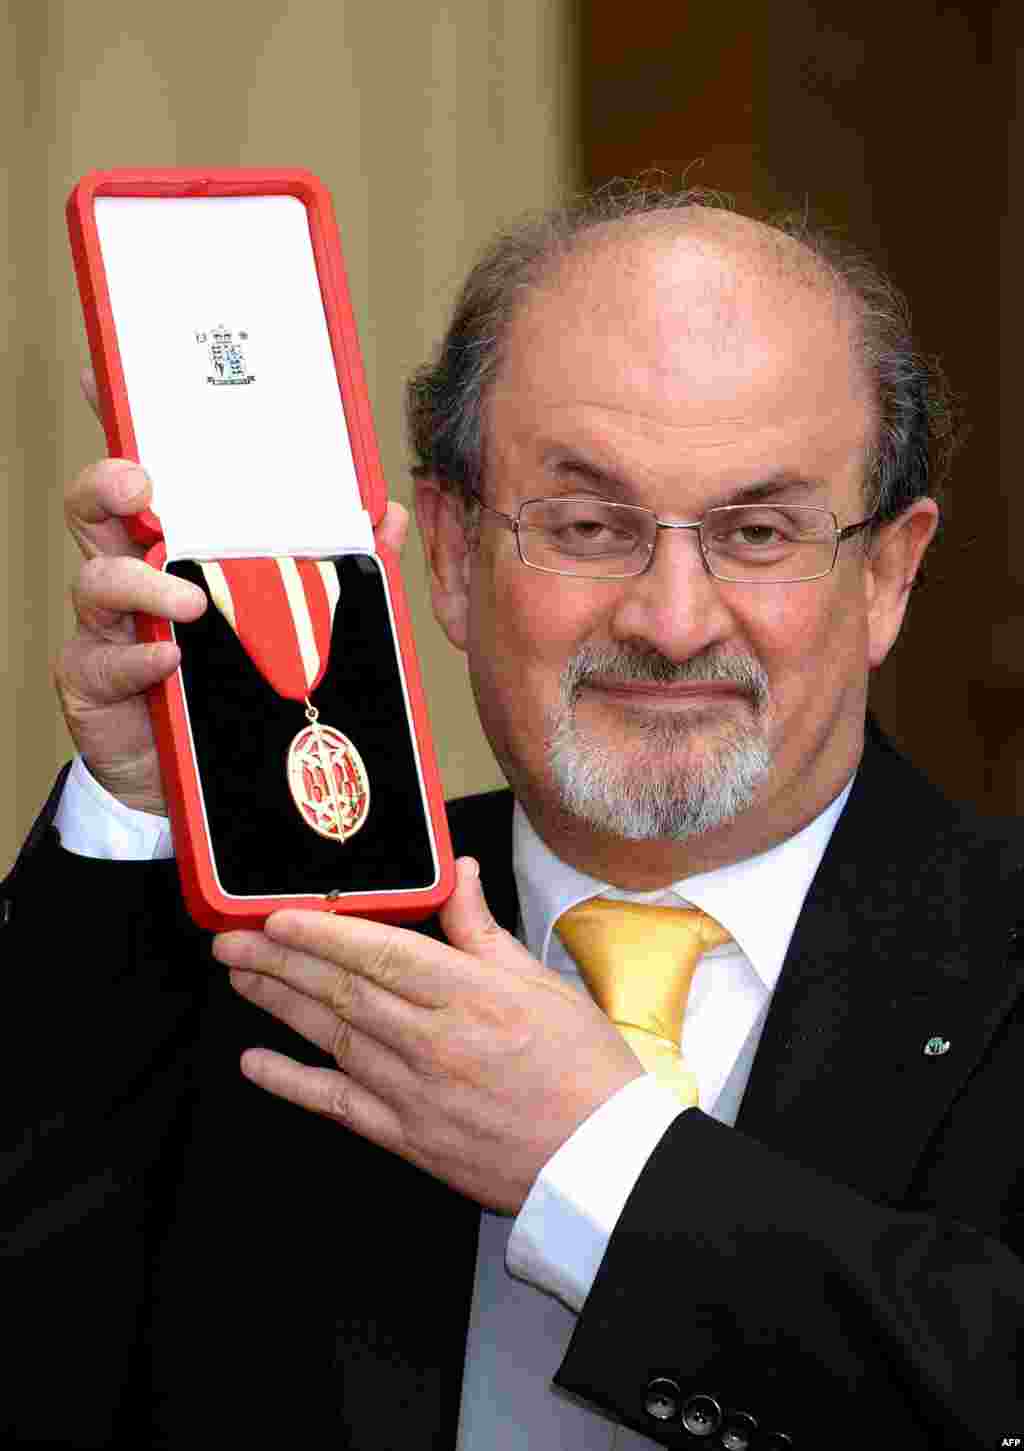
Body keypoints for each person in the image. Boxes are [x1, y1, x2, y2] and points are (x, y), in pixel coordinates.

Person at [4, 187, 1022, 1450]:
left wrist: (598, 1159)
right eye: (588, 525)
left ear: (886, 575)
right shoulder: (277, 940)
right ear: (446, 551)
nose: (672, 618)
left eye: (758, 533)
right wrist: (133, 814)